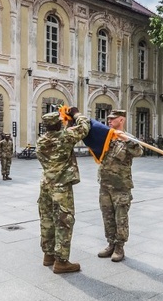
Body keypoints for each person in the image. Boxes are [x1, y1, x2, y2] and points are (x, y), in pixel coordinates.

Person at [37, 108, 91, 274]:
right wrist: (75, 114)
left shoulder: (41, 141)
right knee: (63, 221)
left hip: (45, 185)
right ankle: (61, 261)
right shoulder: (65, 136)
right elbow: (85, 126)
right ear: (59, 124)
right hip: (61, 186)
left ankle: (48, 255)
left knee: (47, 220)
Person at [96, 110, 143, 262]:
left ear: (121, 120)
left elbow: (139, 151)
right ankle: (110, 244)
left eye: (113, 119)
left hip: (121, 185)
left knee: (120, 217)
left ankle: (119, 247)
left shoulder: (128, 138)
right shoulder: (106, 137)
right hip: (105, 184)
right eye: (108, 119)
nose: (109, 121)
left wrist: (126, 139)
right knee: (107, 216)